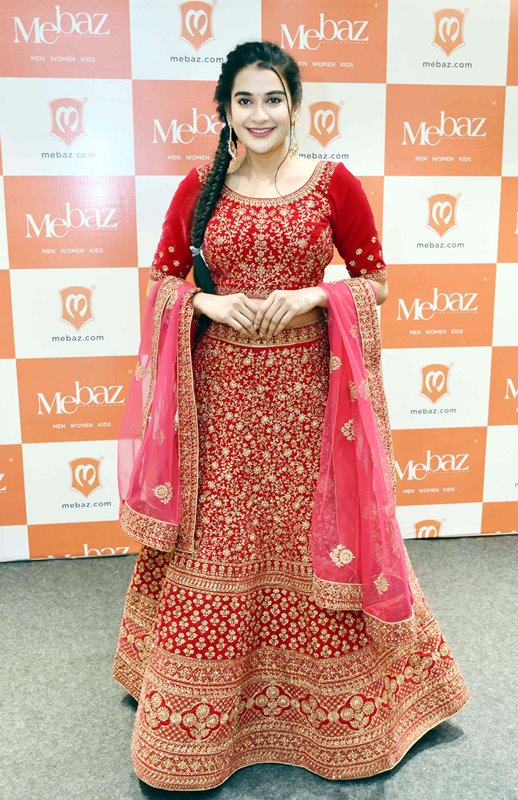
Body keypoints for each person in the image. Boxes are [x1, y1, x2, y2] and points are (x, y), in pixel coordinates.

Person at [112, 40, 470, 791]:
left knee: (319, 537)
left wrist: (315, 294)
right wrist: (208, 304)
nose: (260, 113)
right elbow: (161, 282)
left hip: (311, 401)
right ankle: (196, 722)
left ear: (295, 105)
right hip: (221, 407)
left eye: (273, 98)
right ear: (224, 110)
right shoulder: (200, 186)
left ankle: (351, 716)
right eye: (244, 100)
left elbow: (375, 281)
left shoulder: (334, 185)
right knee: (219, 541)